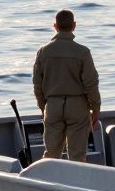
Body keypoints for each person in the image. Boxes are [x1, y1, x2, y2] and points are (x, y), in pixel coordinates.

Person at [32, 9, 101, 162]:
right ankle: (74, 184)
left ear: (55, 26)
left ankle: (48, 183)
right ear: (74, 25)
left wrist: (43, 106)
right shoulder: (83, 52)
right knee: (77, 156)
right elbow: (91, 83)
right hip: (77, 106)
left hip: (53, 105)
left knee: (51, 154)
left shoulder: (43, 52)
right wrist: (95, 107)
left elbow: (37, 84)